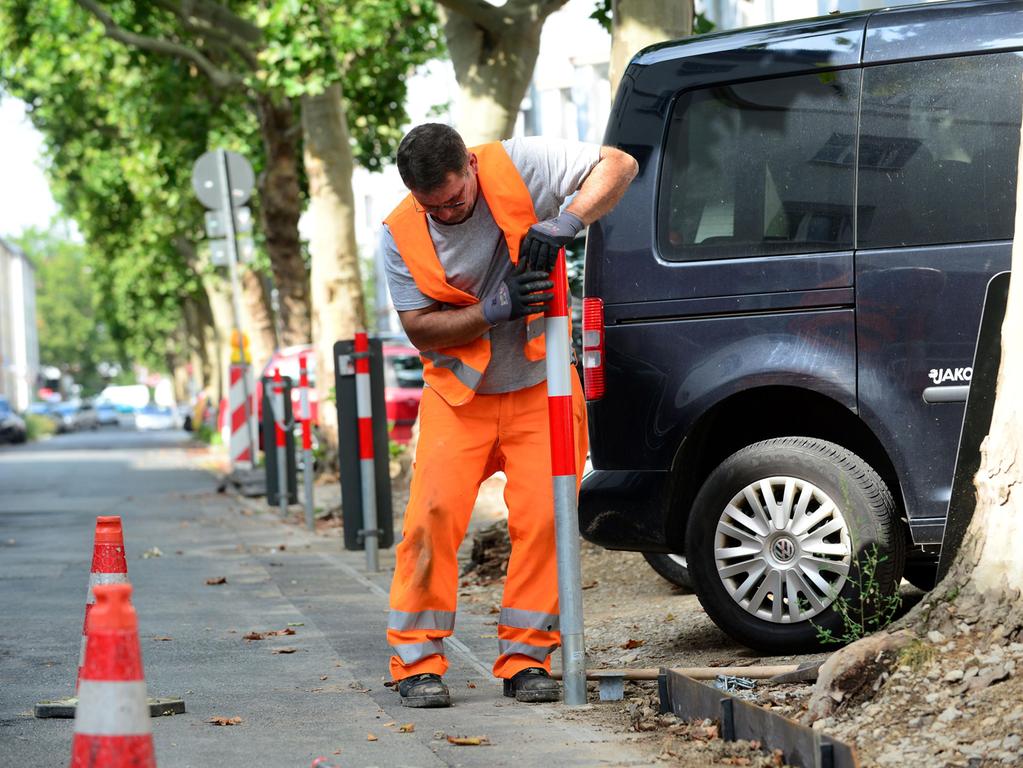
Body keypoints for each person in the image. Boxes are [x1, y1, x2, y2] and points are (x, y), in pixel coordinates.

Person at [381, 123, 637, 707]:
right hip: (458, 399)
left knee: (546, 524)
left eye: (456, 199)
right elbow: (419, 329)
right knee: (431, 520)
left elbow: (619, 165)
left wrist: (566, 221)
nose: (447, 213)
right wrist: (491, 311)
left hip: (538, 386)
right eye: (433, 207)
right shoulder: (400, 233)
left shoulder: (519, 164)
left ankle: (527, 658)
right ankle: (416, 661)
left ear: (470, 166)